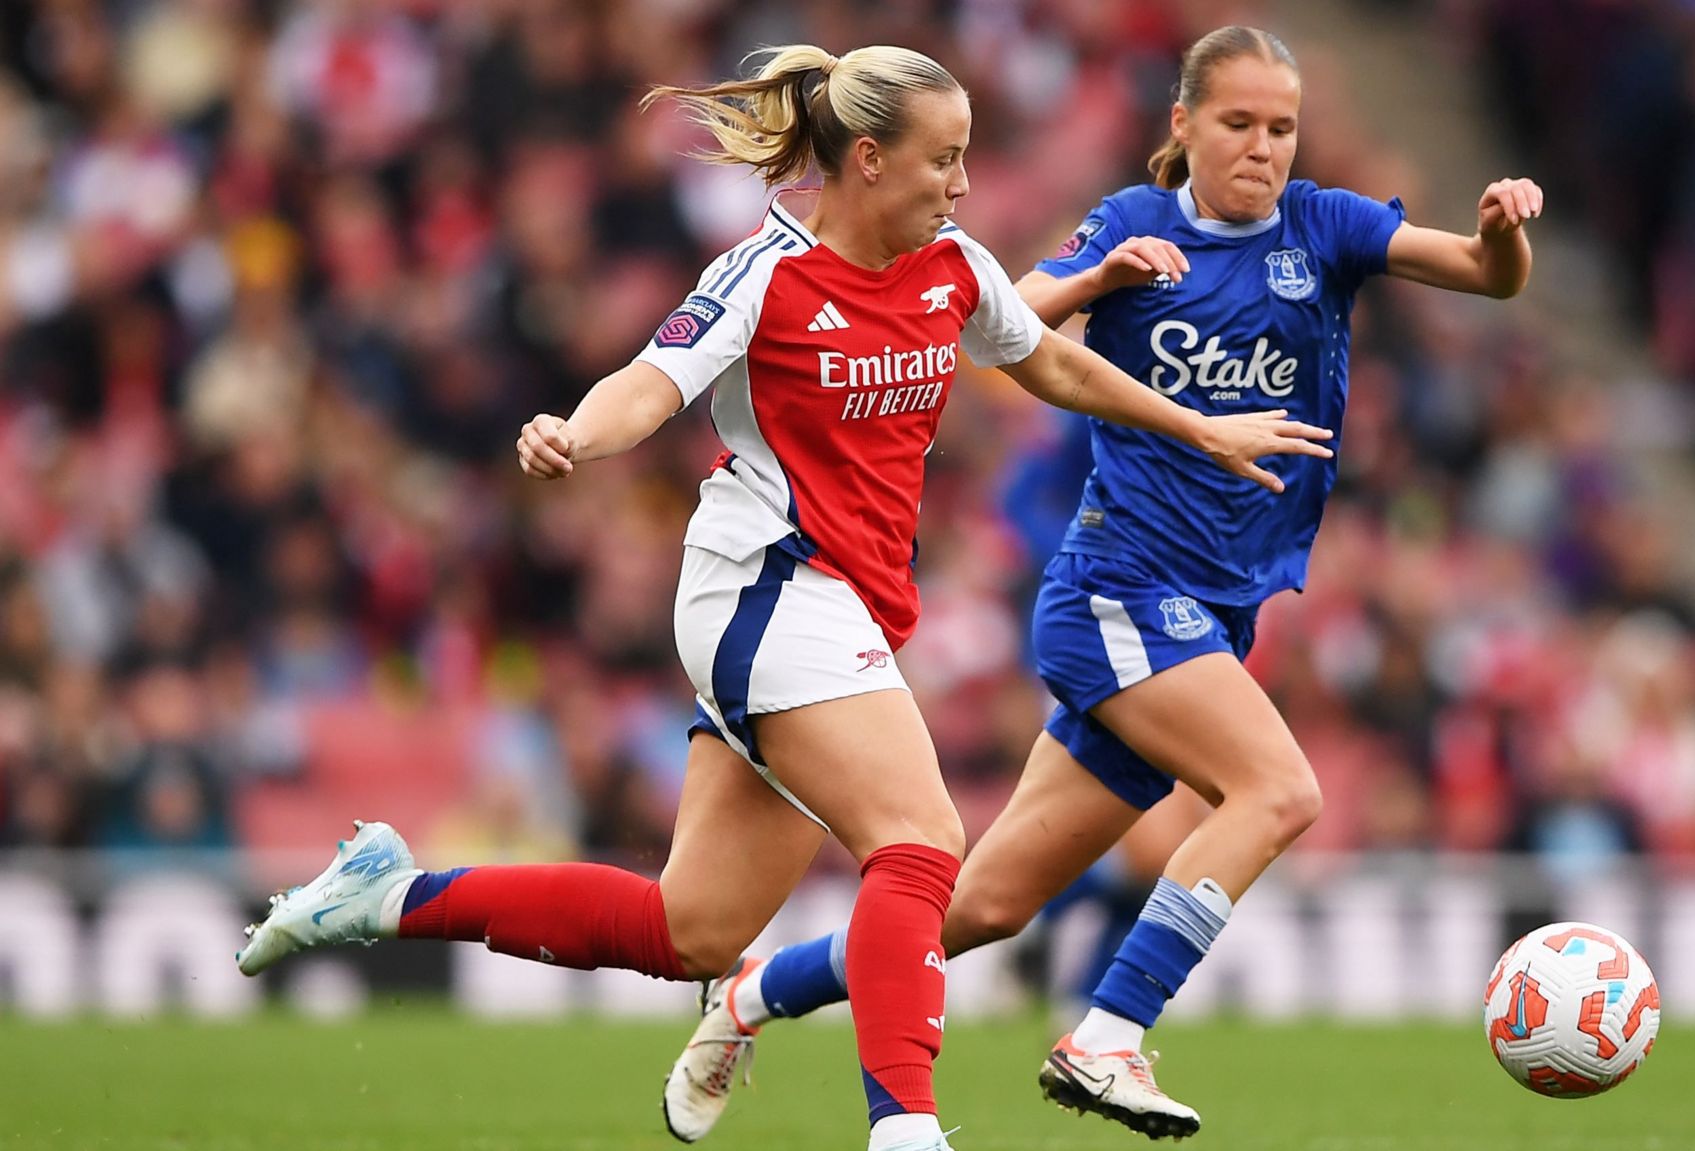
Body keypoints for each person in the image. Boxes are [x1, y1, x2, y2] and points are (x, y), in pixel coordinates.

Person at [230, 42, 1333, 1151]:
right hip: (762, 585)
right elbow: (650, 382)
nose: (959, 184)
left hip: (844, 608)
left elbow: (1045, 362)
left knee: (691, 928)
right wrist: (576, 430)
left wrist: (1194, 424)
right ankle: (905, 1127)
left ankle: (388, 893)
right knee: (920, 837)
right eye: (940, 160)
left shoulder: (951, 263)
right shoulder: (767, 272)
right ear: (865, 160)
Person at [665, 25, 1544, 1143]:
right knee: (1278, 790)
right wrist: (1098, 276)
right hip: (1119, 588)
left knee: (977, 908)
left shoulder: (1323, 228)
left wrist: (1498, 233)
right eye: (1236, 124)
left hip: (1214, 606)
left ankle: (750, 994)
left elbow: (1483, 277)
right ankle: (1107, 1033)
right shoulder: (1133, 225)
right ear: (1181, 126)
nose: (1261, 148)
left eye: (1279, 127)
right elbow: (998, 319)